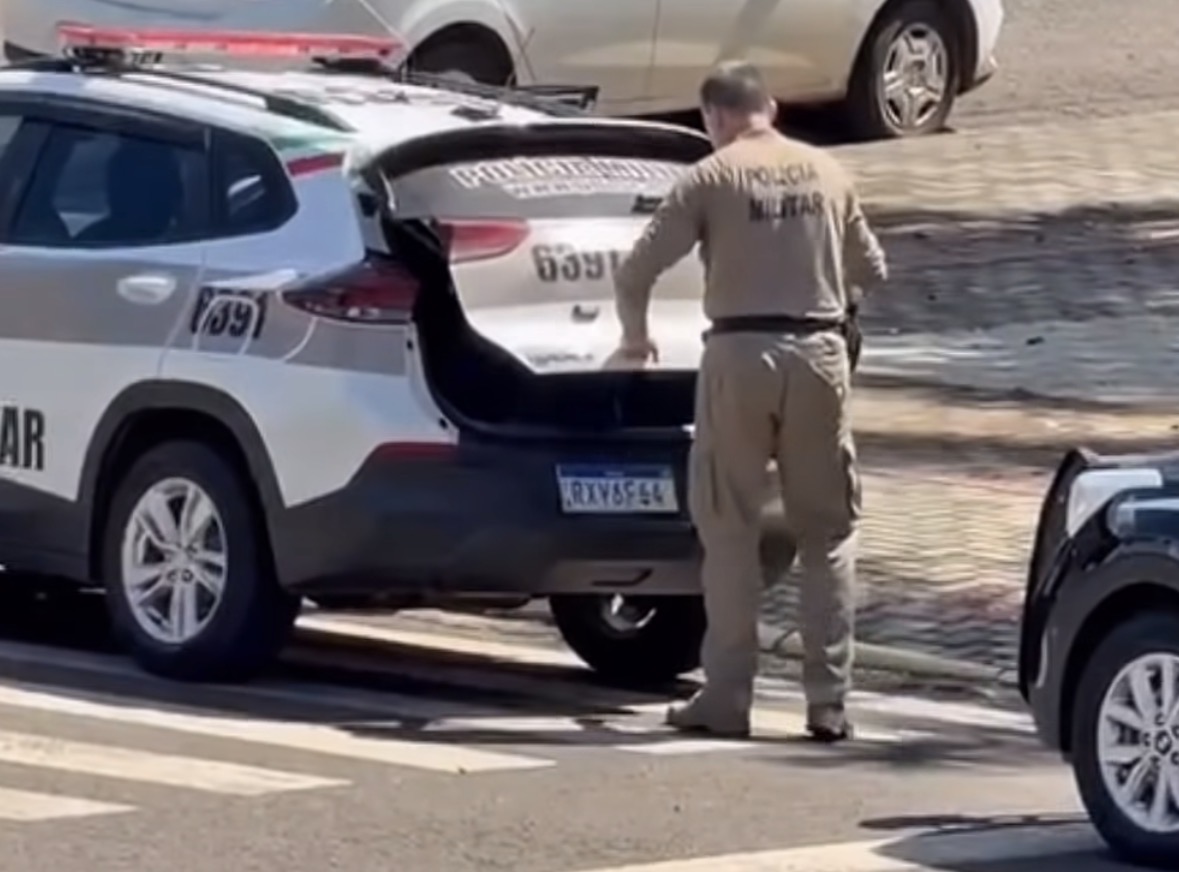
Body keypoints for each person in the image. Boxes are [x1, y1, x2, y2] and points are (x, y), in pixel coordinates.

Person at [611, 60, 887, 742]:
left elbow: (637, 268)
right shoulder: (827, 171)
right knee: (826, 532)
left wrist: (636, 337)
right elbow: (871, 269)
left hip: (736, 357)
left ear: (714, 118)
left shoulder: (708, 176)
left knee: (728, 529)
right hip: (818, 356)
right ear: (770, 107)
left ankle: (727, 696)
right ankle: (827, 701)